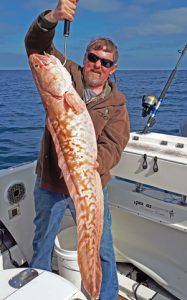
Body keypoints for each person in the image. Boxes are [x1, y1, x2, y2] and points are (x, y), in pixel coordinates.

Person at [25, 0, 130, 299]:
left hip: (90, 182)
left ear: (113, 69)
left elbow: (115, 143)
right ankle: (38, 292)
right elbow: (34, 45)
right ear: (84, 58)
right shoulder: (66, 74)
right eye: (93, 57)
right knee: (42, 243)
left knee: (101, 246)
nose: (97, 65)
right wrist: (54, 16)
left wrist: (92, 165)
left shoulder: (118, 105)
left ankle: (104, 295)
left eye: (105, 62)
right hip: (51, 184)